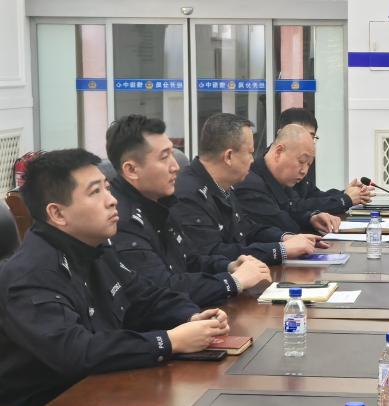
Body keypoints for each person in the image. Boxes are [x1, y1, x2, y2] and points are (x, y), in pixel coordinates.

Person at [0, 150, 230, 406]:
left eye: (107, 189)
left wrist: (191, 317)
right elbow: (77, 353)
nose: (112, 201)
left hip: (101, 392)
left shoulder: (95, 248)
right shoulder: (29, 276)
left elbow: (145, 298)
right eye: (95, 192)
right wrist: (168, 341)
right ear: (58, 214)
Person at [106, 115, 270, 308]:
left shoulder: (159, 202)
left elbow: (189, 260)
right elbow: (163, 288)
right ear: (132, 170)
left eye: (172, 154)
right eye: (164, 157)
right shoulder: (120, 220)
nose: (175, 166)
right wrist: (233, 282)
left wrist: (229, 266)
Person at [170, 113, 319, 265]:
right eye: (250, 153)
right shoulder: (189, 195)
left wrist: (285, 238)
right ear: (228, 156)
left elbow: (247, 229)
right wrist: (280, 250)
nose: (252, 160)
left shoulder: (223, 186)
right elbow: (214, 253)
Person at [235, 124, 343, 235]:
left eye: (308, 164)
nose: (304, 171)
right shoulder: (250, 184)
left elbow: (294, 209)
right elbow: (288, 226)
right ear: (279, 152)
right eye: (301, 161)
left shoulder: (282, 179)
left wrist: (312, 218)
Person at [277, 108, 374, 214]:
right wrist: (345, 199)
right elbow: (297, 207)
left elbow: (315, 196)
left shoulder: (300, 166)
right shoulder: (273, 169)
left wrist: (345, 194)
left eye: (311, 137)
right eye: (301, 136)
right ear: (282, 134)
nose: (303, 170)